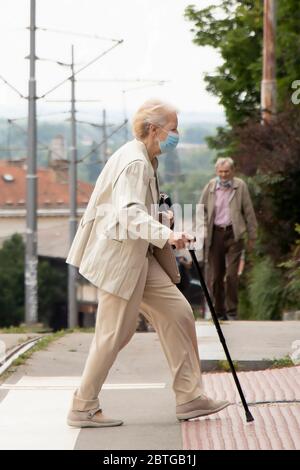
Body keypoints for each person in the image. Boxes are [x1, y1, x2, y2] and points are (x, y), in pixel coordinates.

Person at [66, 99, 230, 428]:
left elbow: (134, 209)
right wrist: (166, 234)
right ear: (154, 130)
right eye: (172, 128)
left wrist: (161, 218)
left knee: (178, 314)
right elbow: (127, 212)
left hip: (139, 255)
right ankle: (83, 407)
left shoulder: (143, 157)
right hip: (122, 259)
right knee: (113, 335)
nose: (176, 135)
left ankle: (190, 397)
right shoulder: (136, 162)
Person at [199, 157, 258, 320]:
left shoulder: (240, 186)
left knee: (232, 275)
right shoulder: (211, 187)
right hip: (215, 234)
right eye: (220, 172)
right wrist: (203, 230)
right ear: (216, 172)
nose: (223, 175)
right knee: (216, 276)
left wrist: (252, 235)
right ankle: (219, 311)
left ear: (232, 171)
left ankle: (232, 311)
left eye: (226, 172)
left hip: (234, 234)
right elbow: (201, 210)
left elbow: (248, 211)